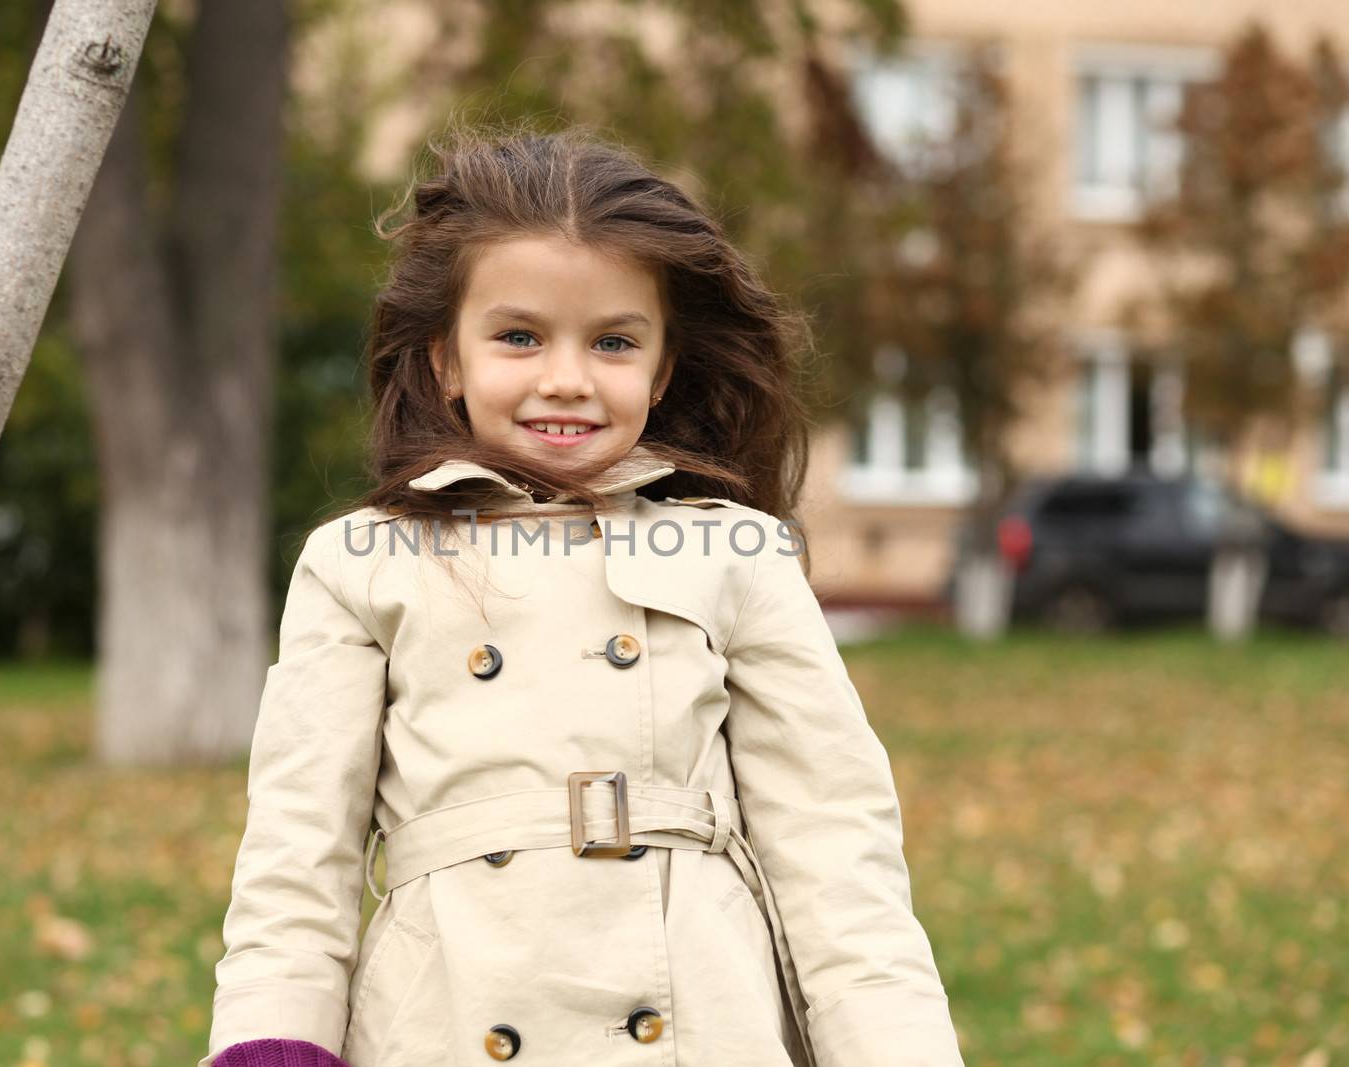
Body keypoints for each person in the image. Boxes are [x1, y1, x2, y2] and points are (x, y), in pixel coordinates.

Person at [202, 125, 964, 1067]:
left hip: (698, 1028)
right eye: (518, 336)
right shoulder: (362, 563)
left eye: (612, 341)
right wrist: (272, 1043)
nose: (566, 379)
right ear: (446, 359)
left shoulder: (737, 554)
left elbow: (835, 855)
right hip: (447, 1020)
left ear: (663, 366)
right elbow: (296, 859)